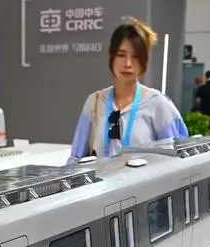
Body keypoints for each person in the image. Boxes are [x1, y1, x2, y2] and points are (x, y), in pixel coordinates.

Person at [67, 18, 188, 164]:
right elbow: (75, 159)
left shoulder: (158, 104)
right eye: (121, 55)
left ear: (144, 61)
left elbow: (176, 160)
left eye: (136, 56)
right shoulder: (95, 102)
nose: (128, 64)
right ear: (111, 56)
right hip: (102, 186)